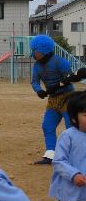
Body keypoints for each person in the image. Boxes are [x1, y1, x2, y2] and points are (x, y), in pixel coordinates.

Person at [45, 91, 86, 201]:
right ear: (74, 118)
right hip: (72, 194)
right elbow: (59, 161)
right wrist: (74, 174)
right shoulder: (68, 136)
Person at [31, 35, 74, 165]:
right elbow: (34, 81)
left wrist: (61, 83)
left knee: (70, 128)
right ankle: (51, 154)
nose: (33, 53)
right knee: (47, 126)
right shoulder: (37, 66)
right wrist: (39, 91)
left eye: (35, 50)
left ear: (43, 51)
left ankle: (73, 155)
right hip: (53, 100)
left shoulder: (60, 62)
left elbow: (69, 79)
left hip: (68, 98)